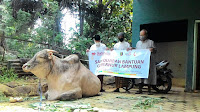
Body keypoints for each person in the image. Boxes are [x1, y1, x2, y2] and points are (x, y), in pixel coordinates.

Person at [135, 29, 157, 95]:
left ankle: (149, 90)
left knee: (148, 76)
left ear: (146, 35)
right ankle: (140, 89)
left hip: (148, 62)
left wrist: (152, 49)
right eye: (140, 35)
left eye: (143, 35)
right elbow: (136, 51)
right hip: (140, 63)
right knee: (140, 75)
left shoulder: (151, 42)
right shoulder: (138, 43)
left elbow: (155, 50)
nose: (141, 37)